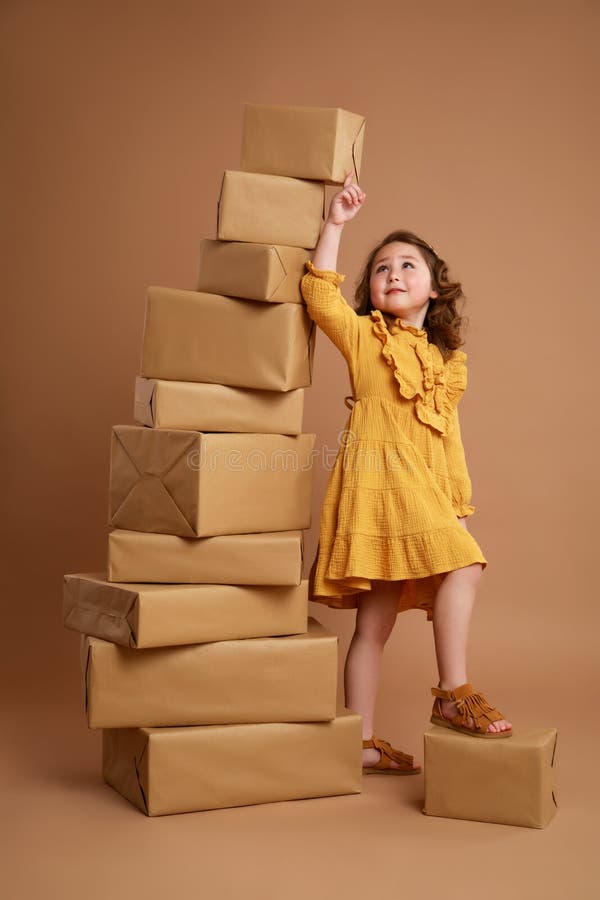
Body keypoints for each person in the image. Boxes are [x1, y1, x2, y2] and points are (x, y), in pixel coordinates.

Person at [300, 173, 512, 776]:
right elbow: (319, 299)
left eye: (408, 266)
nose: (393, 274)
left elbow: (448, 444)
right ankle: (444, 698)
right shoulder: (367, 338)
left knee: (431, 582)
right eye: (382, 268)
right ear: (370, 290)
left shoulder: (446, 364)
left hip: (421, 489)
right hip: (376, 485)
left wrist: (455, 503)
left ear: (435, 289)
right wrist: (335, 223)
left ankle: (375, 734)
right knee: (382, 619)